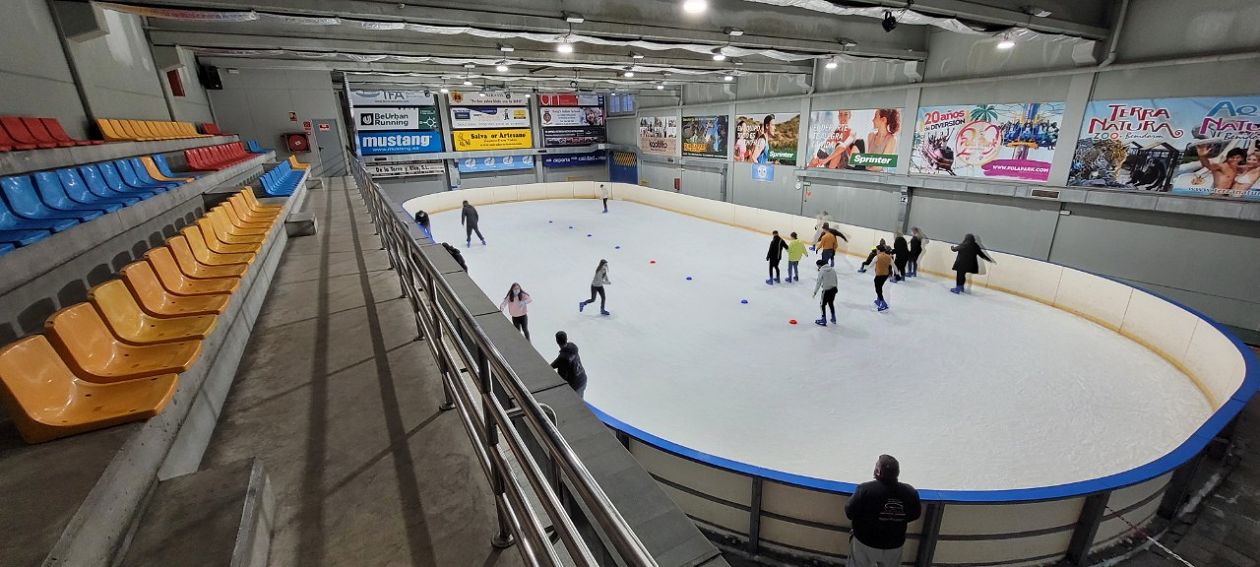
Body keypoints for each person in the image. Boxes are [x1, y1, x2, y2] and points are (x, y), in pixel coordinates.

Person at [844, 455, 922, 567]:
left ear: (879, 471)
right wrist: (895, 519)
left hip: (865, 541)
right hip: (894, 543)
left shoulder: (866, 490)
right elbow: (915, 514)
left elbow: (849, 511)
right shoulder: (910, 492)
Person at [550, 331, 588, 398]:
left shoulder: (563, 358)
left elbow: (552, 367)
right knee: (580, 400)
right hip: (583, 378)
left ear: (557, 341)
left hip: (576, 385)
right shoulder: (572, 347)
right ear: (567, 339)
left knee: (575, 402)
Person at [812, 259, 838, 326]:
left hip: (826, 291)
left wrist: (815, 292)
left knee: (822, 305)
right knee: (831, 303)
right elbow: (836, 279)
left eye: (818, 266)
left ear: (820, 265)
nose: (818, 267)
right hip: (834, 289)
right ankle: (833, 318)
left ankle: (823, 320)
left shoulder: (822, 271)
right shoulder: (832, 269)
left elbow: (818, 282)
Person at [872, 244, 892, 312]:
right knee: (879, 287)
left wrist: (865, 269)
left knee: (878, 289)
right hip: (885, 274)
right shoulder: (887, 255)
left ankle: (883, 304)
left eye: (877, 249)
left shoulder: (879, 256)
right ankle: (878, 300)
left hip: (881, 274)